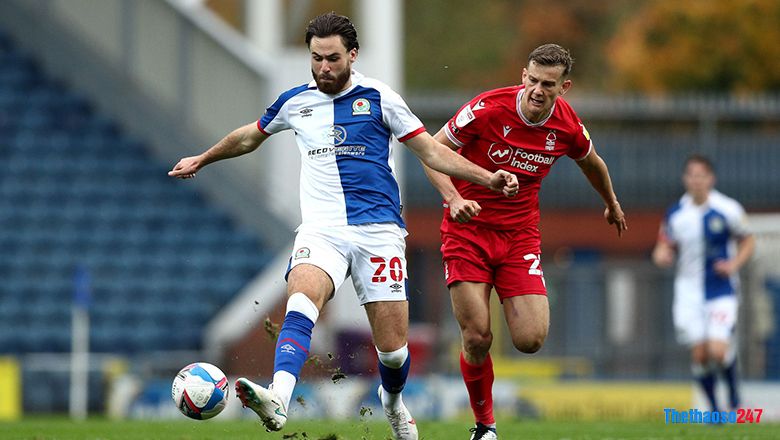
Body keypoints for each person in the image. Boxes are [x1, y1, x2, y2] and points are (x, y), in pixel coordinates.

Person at [168, 12, 518, 440]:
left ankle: (392, 404)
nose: (323, 68)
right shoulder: (295, 101)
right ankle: (279, 398)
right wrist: (203, 158)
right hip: (322, 230)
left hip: (380, 233)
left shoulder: (380, 97)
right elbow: (249, 136)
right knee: (302, 296)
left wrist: (486, 178)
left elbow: (430, 150)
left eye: (332, 58)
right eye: (316, 59)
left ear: (352, 55)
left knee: (392, 351)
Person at [422, 43, 627, 440]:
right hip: (468, 231)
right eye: (532, 80)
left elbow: (593, 163)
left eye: (547, 84)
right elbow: (430, 150)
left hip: (519, 238)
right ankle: (485, 426)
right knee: (477, 336)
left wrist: (611, 204)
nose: (537, 89)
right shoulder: (487, 108)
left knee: (531, 339)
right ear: (523, 76)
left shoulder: (567, 125)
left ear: (563, 87)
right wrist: (455, 198)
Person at [652, 154, 754, 414]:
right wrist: (661, 254)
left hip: (721, 289)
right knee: (700, 355)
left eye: (701, 175)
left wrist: (733, 265)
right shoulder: (676, 213)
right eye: (691, 175)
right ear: (685, 179)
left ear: (711, 178)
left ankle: (733, 392)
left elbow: (748, 240)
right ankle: (715, 412)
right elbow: (664, 244)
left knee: (718, 352)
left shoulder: (728, 209)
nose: (696, 180)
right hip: (688, 291)